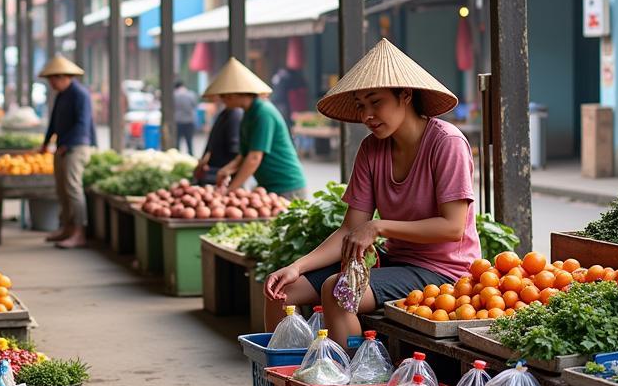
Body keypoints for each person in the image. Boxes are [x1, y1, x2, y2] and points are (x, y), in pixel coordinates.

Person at [263, 37, 480, 349]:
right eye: (361, 106)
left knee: (338, 291)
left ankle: (347, 383)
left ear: (405, 95)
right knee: (282, 289)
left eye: (376, 102)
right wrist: (298, 265)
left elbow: (452, 227)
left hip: (444, 272)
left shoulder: (447, 143)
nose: (367, 115)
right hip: (395, 263)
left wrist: (379, 226)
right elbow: (351, 229)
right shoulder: (371, 149)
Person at [205, 58, 308, 201]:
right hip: (268, 187)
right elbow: (244, 154)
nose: (223, 99)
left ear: (237, 93)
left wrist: (230, 190)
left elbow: (254, 157)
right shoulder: (248, 114)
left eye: (225, 95)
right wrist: (227, 169)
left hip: (287, 187)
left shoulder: (263, 113)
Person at [40, 54, 96, 249]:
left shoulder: (81, 94)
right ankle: (67, 228)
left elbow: (83, 124)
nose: (51, 84)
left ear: (63, 77)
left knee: (73, 189)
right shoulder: (61, 96)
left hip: (77, 147)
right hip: (63, 146)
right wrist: (46, 143)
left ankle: (79, 232)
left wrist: (68, 144)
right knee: (62, 190)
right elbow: (54, 122)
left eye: (53, 80)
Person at [193, 98, 242, 186]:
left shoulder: (235, 115)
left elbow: (234, 150)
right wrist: (203, 162)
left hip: (224, 174)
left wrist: (227, 172)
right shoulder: (224, 113)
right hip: (216, 170)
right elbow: (211, 144)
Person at [173, 80, 198, 155]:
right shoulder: (191, 94)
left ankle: (176, 157)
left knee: (177, 142)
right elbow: (195, 105)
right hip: (189, 121)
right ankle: (191, 158)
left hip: (178, 121)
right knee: (189, 142)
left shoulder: (174, 95)